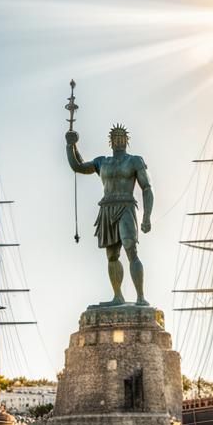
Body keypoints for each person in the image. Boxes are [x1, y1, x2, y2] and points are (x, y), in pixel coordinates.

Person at [66, 123, 154, 305]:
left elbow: (147, 188)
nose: (119, 141)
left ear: (126, 141)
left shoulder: (134, 161)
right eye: (116, 138)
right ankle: (117, 295)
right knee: (112, 256)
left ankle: (140, 297)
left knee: (131, 249)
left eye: (122, 138)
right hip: (107, 208)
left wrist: (146, 217)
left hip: (126, 206)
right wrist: (71, 145)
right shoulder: (102, 162)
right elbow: (79, 166)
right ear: (111, 141)